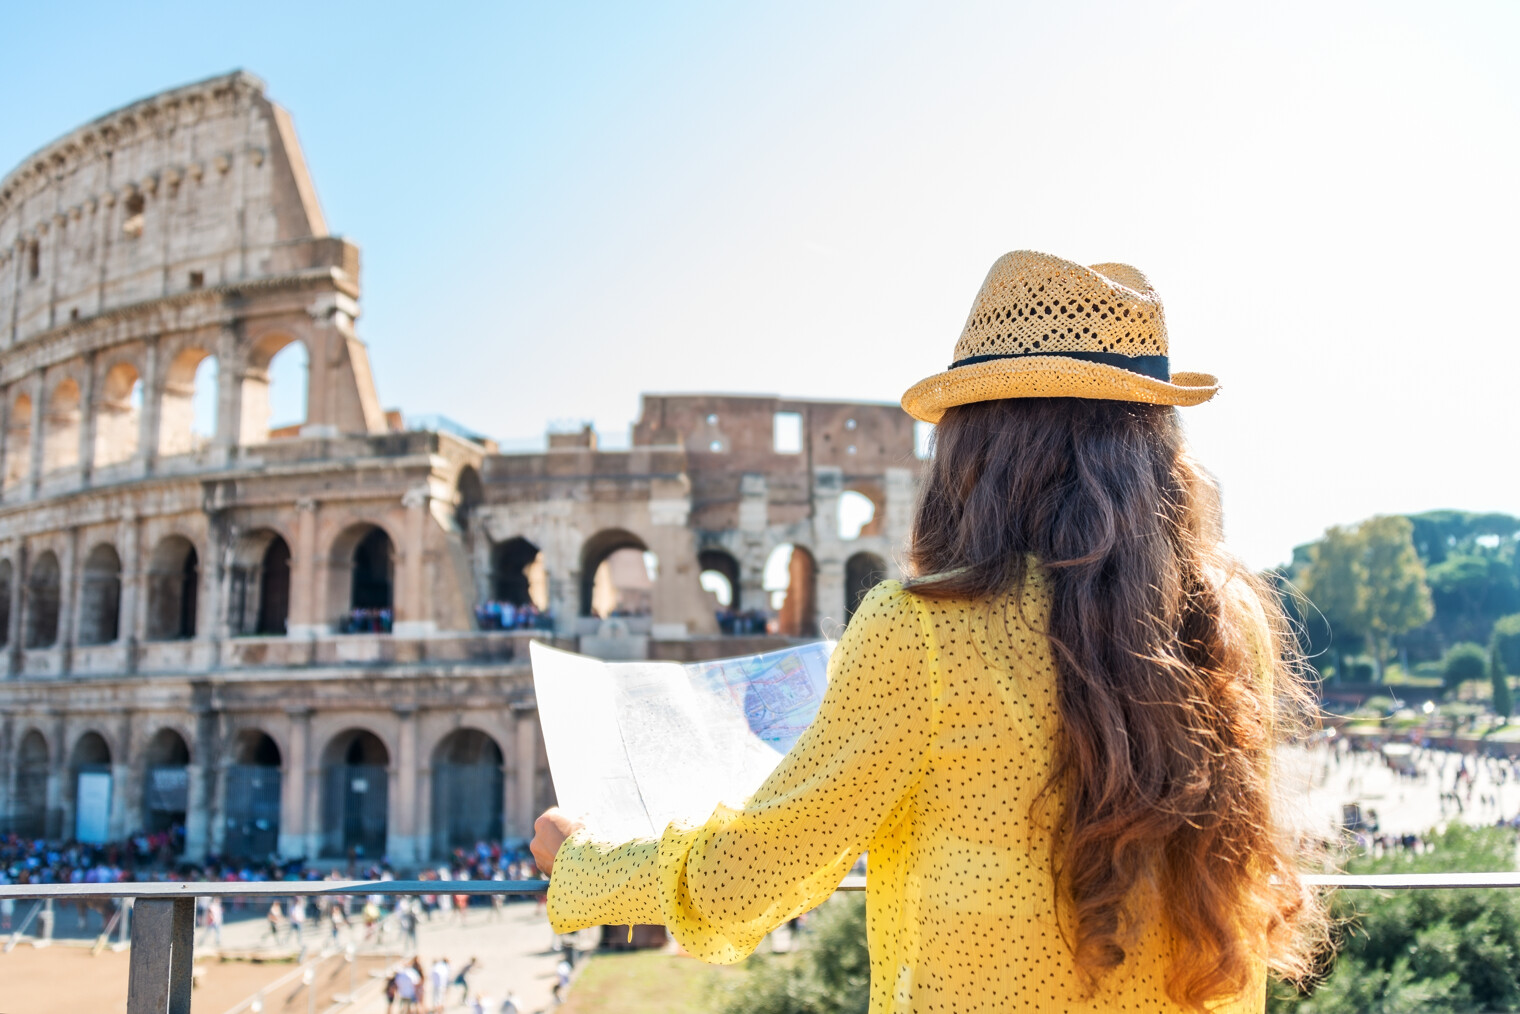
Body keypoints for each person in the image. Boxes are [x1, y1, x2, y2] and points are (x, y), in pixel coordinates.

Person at [530, 251, 1326, 1012]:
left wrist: (587, 868)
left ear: (977, 445)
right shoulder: (1228, 619)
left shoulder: (923, 632)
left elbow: (757, 872)